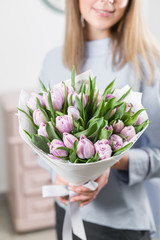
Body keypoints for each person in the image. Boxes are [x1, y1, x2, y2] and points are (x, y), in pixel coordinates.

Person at [39, 0, 160, 239]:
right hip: (66, 208)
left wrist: (112, 162)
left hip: (122, 223)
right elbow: (38, 142)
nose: (107, 2)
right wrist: (61, 174)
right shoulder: (53, 60)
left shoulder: (147, 63)